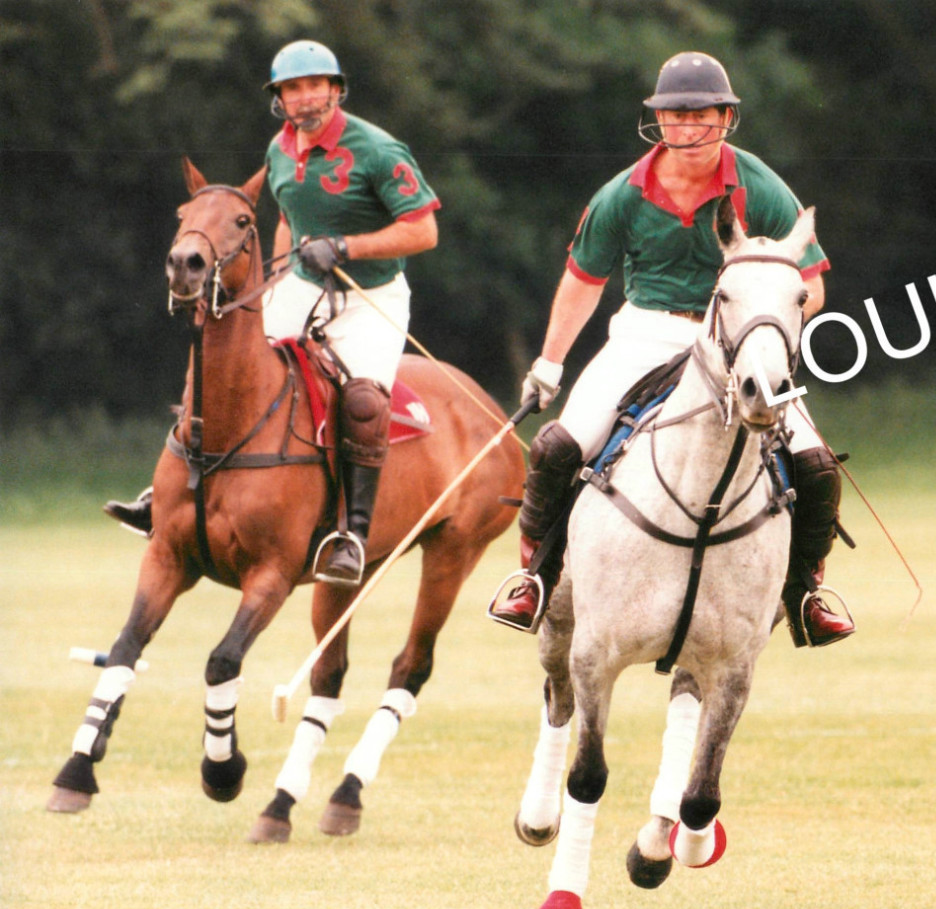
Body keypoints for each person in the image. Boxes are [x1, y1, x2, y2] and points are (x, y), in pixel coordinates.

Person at [490, 52, 853, 648]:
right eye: (674, 116)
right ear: (656, 122)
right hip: (645, 335)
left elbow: (809, 285)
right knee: (559, 447)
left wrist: (765, 325)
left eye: (701, 116)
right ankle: (534, 576)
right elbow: (584, 282)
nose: (686, 129)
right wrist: (549, 363)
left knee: (814, 465)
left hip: (734, 342)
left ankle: (805, 592)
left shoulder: (759, 188)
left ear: (726, 117)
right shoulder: (622, 196)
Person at [106, 40, 441, 586]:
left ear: (336, 90)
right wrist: (279, 271)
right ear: (279, 99)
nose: (305, 98)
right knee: (229, 363)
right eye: (292, 89)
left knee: (360, 400)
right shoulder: (281, 150)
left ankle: (351, 534)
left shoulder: (380, 151)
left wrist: (346, 247)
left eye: (315, 86)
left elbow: (423, 231)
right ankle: (168, 497)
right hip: (300, 284)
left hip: (370, 296)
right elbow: (287, 218)